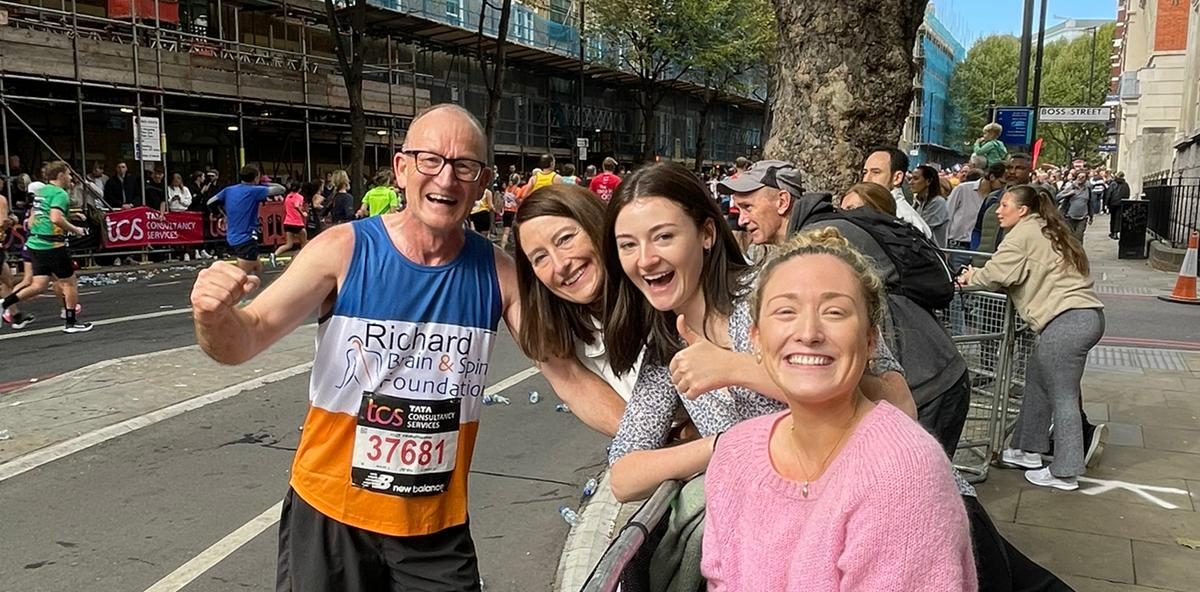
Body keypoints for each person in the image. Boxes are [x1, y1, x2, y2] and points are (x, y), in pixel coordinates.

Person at [190, 105, 626, 591]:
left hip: (434, 531)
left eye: (464, 166)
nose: (446, 177)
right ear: (401, 168)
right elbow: (243, 339)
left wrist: (669, 438)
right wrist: (214, 315)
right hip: (331, 515)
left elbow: (569, 376)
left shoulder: (498, 274)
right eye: (430, 160)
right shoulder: (343, 250)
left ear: (482, 183)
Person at [601, 162, 910, 502]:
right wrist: (724, 444)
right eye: (628, 245)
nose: (645, 260)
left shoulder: (779, 287)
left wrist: (736, 368)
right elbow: (624, 477)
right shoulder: (668, 346)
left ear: (706, 234)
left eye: (663, 237)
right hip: (800, 526)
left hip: (890, 499)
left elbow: (899, 405)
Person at [702, 227, 976, 591]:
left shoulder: (903, 471)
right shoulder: (734, 455)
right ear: (756, 338)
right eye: (785, 311)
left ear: (870, 340)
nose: (809, 332)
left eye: (834, 312)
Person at [726, 160, 969, 457]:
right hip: (926, 378)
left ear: (782, 201)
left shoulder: (824, 243)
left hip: (928, 386)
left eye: (749, 206)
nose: (742, 220)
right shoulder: (818, 235)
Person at [959, 185, 1106, 490]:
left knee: (1062, 396)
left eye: (1005, 205)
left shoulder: (1023, 234)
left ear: (1022, 210)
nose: (998, 210)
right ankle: (1026, 450)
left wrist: (971, 276)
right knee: (1038, 382)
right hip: (1080, 317)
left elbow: (997, 274)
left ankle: (1066, 472)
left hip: (1066, 321)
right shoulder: (1046, 228)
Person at [0, 161, 92, 333]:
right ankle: (71, 323)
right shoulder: (60, 193)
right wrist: (76, 230)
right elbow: (56, 218)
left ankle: (5, 303)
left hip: (35, 242)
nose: (71, 178)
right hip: (52, 244)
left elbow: (34, 218)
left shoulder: (41, 192)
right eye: (69, 174)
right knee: (69, 283)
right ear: (60, 175)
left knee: (39, 284)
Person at [207, 165, 285, 275]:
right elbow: (281, 189)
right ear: (256, 177)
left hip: (234, 235)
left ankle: (254, 290)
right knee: (243, 276)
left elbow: (210, 202)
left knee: (257, 269)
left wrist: (221, 214)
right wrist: (263, 183)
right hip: (245, 238)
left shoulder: (229, 190)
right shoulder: (254, 190)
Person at [861, 146, 933, 238]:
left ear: (897, 178)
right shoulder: (869, 209)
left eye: (876, 172)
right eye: (865, 172)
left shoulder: (906, 220)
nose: (866, 179)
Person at [912, 164, 950, 247]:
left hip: (931, 253)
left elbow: (922, 229)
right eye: (911, 178)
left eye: (916, 179)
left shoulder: (938, 202)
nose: (911, 182)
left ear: (928, 181)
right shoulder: (917, 202)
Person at [272, 180, 309, 264]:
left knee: (289, 244)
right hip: (297, 223)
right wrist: (303, 213)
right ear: (299, 189)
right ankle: (303, 259)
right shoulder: (299, 197)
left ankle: (274, 254)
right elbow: (297, 205)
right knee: (304, 242)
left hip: (288, 222)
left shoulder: (288, 197)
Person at [1057, 171, 1091, 244]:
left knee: (1079, 236)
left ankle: (1079, 254)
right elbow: (1057, 197)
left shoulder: (1088, 189)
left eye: (1083, 177)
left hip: (1082, 217)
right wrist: (1068, 194)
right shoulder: (1071, 187)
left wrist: (1091, 215)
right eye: (1079, 177)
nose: (1080, 179)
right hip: (1070, 217)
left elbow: (1090, 203)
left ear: (1086, 179)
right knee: (1070, 237)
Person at [498, 173, 523, 248]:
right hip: (514, 211)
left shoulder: (507, 189)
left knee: (506, 230)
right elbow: (518, 200)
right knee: (517, 230)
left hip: (506, 210)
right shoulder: (518, 190)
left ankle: (503, 246)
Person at [1106, 171, 1131, 239]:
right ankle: (1116, 232)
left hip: (1113, 203)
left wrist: (1107, 203)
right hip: (1122, 203)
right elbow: (1127, 194)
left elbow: (1109, 194)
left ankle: (1113, 232)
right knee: (1118, 218)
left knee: (1113, 218)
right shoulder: (1125, 184)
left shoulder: (1113, 184)